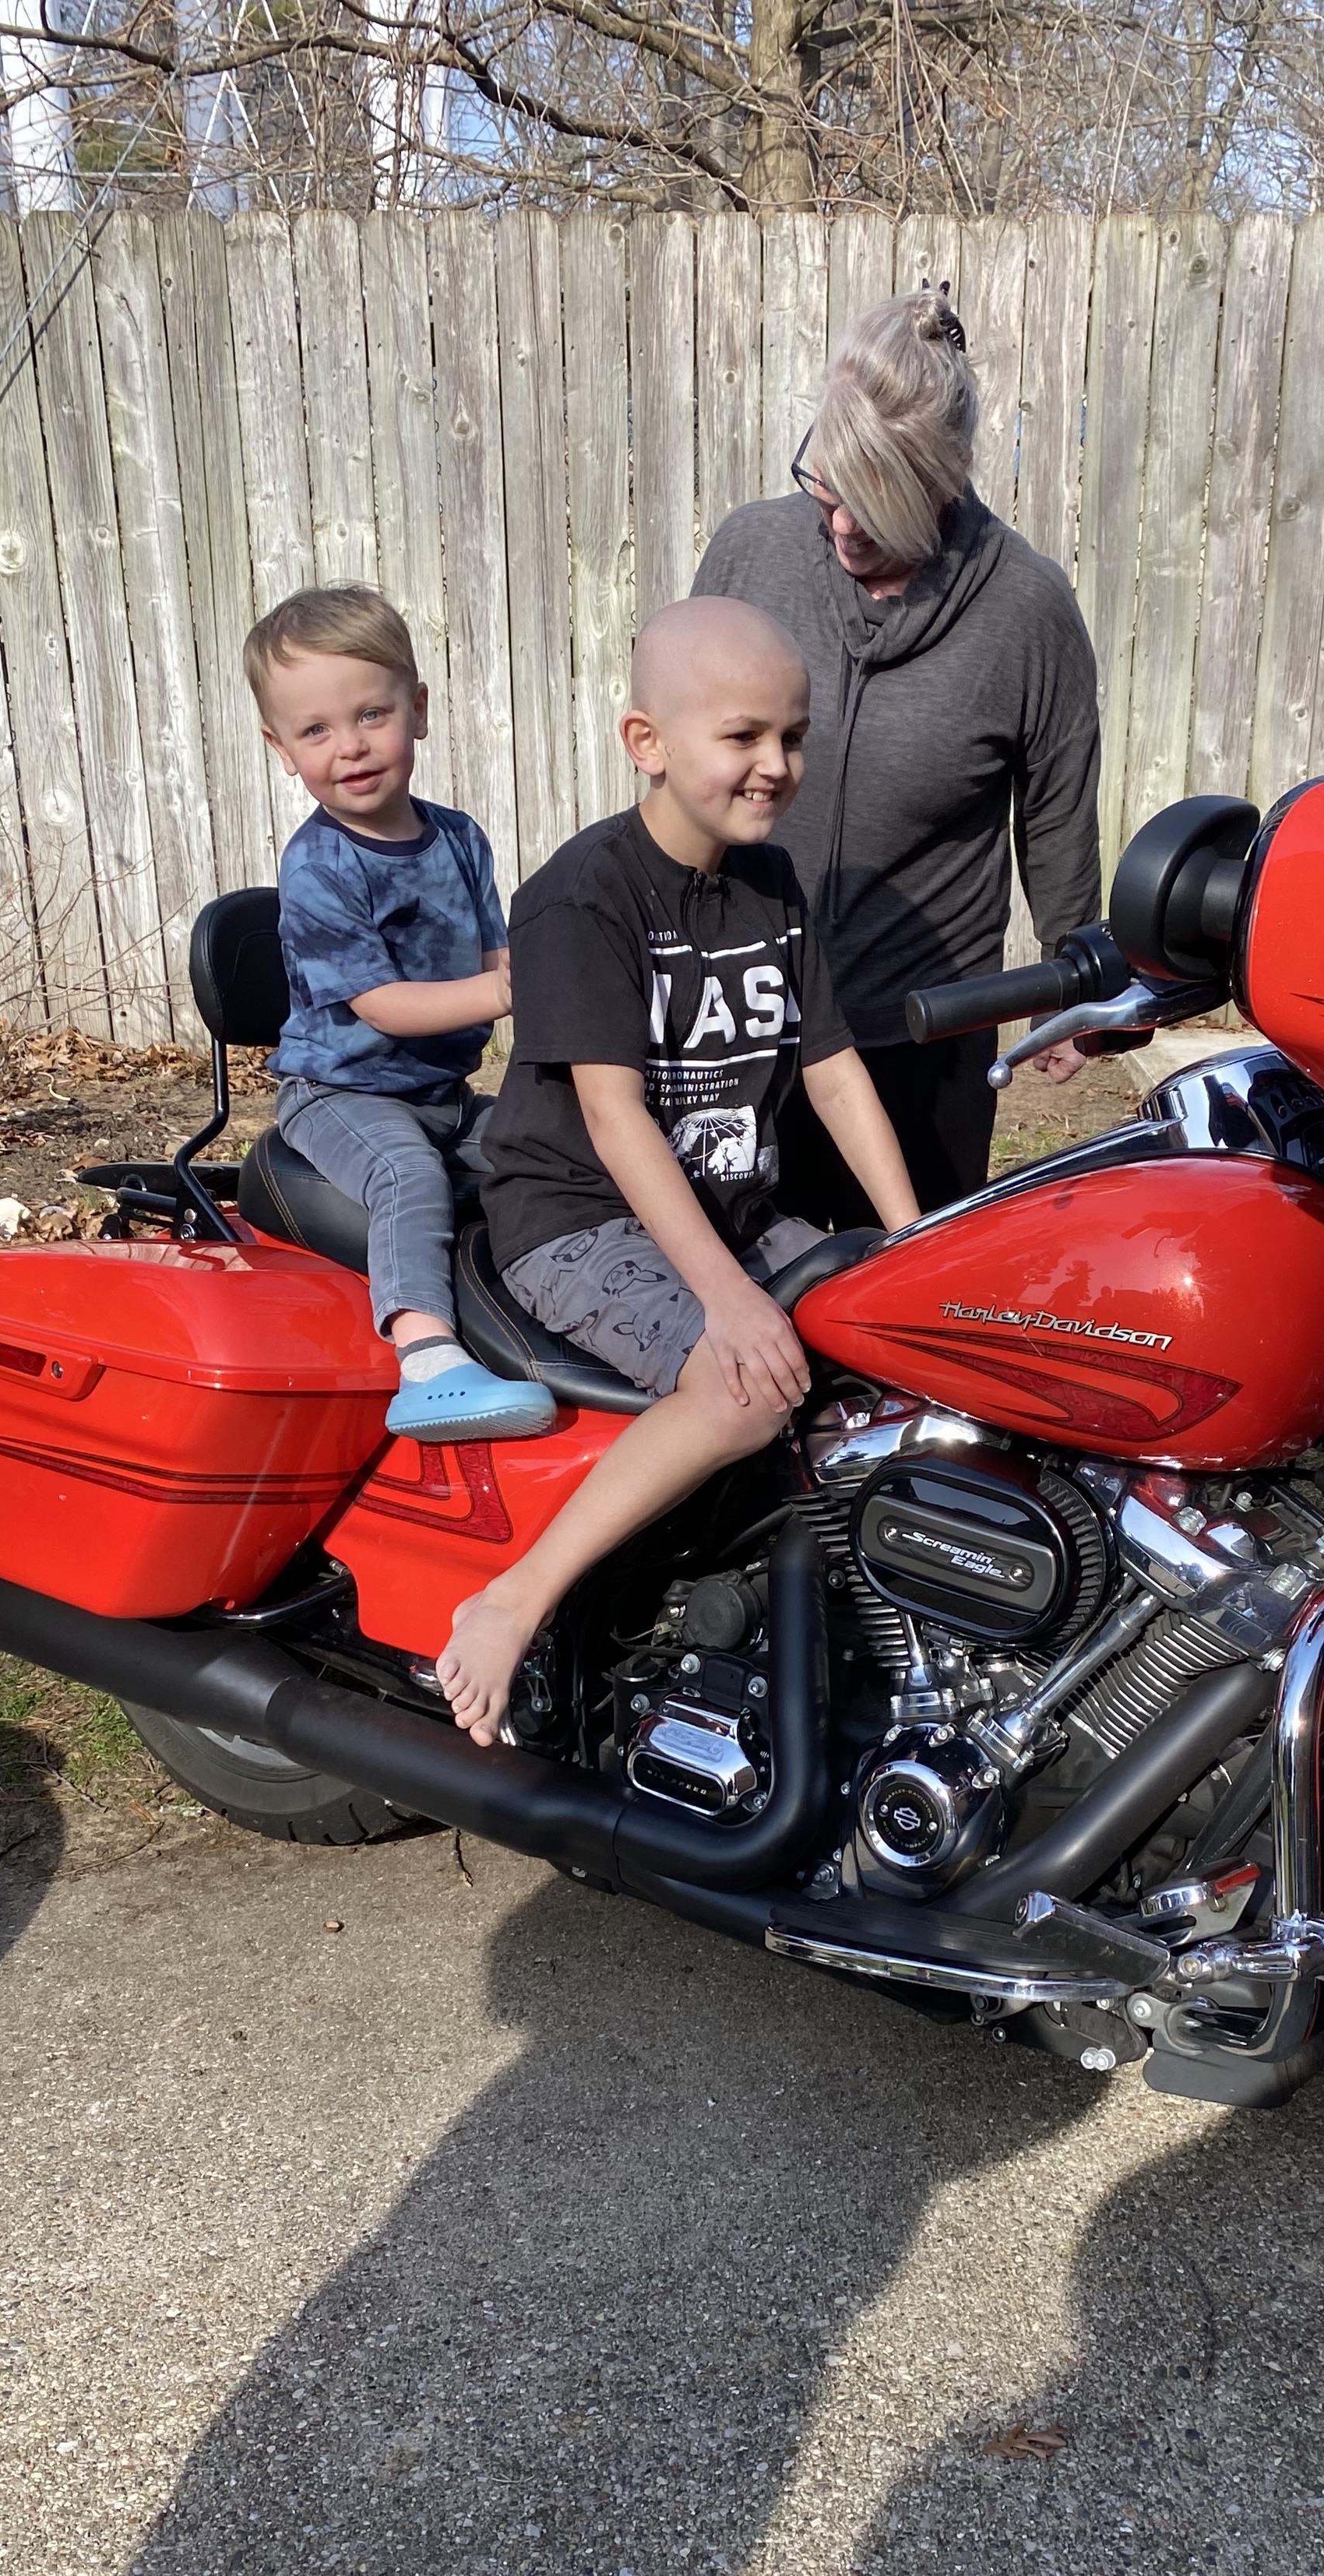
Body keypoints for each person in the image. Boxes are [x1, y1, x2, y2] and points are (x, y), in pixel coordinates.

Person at [435, 595, 923, 1747]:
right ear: (647, 743)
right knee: (743, 1388)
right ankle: (513, 1599)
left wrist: (916, 1240)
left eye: (794, 737)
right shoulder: (581, 897)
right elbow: (614, 1121)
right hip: (578, 1219)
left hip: (726, 1207)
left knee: (917, 1333)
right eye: (743, 737)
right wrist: (729, 1296)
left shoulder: (772, 884)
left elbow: (836, 1070)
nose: (776, 765)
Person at [691, 286, 1102, 1222]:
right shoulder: (751, 555)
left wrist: (1069, 982)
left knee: (905, 1314)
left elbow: (1056, 814)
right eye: (828, 487)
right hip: (742, 1017)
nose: (840, 525)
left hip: (922, 1038)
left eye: (876, 505)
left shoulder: (1028, 611)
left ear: (947, 482)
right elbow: (677, 757)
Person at [247, 583, 558, 1441]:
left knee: (552, 1149)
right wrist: (505, 993)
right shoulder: (320, 864)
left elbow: (502, 954)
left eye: (370, 715)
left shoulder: (459, 837)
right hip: (340, 1092)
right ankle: (426, 1359)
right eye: (316, 730)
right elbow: (382, 1006)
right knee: (409, 1178)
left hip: (439, 1089)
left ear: (416, 710)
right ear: (282, 748)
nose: (349, 746)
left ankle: (560, 1310)